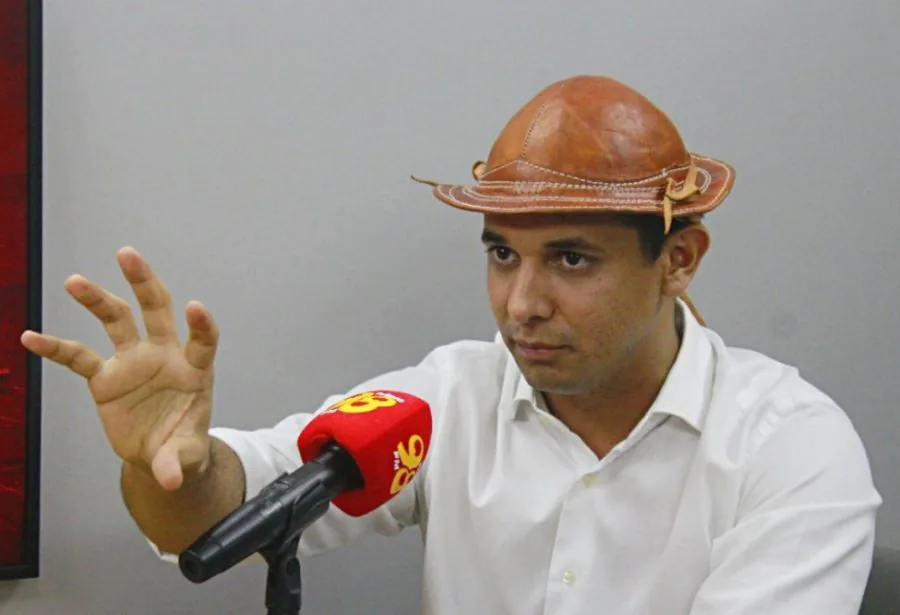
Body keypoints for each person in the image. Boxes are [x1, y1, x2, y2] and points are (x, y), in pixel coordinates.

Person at [22, 75, 881, 614]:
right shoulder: (446, 398)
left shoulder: (792, 447)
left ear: (679, 260)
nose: (521, 303)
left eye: (571, 259)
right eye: (502, 254)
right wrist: (170, 464)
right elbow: (218, 514)